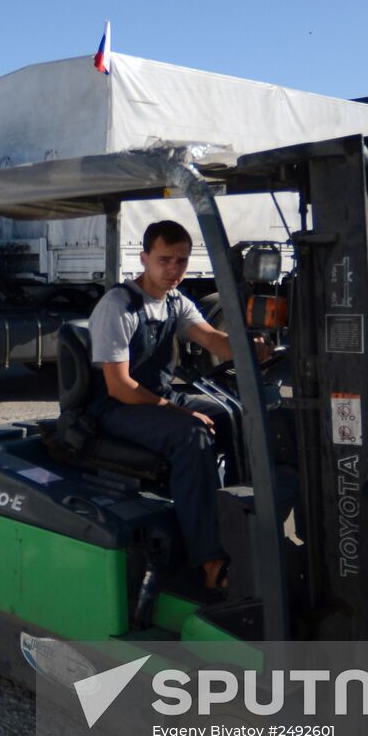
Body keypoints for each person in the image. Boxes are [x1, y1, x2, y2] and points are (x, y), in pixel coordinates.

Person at [87, 220, 265, 591]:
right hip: (114, 408)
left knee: (233, 414)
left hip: (153, 395)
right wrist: (175, 409)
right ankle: (211, 560)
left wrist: (252, 348)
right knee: (192, 432)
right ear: (144, 258)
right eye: (164, 259)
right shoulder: (119, 306)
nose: (174, 269)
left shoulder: (174, 301)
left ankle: (238, 519)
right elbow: (119, 386)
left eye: (181, 261)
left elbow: (212, 339)